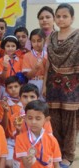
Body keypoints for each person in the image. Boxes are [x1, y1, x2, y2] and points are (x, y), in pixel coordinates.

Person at [43, 3, 79, 167]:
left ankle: (69, 155)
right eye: (58, 16)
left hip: (73, 85)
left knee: (70, 122)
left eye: (65, 16)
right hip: (53, 84)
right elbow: (48, 64)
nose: (61, 19)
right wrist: (44, 85)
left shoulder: (78, 36)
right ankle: (55, 151)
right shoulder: (51, 37)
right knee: (54, 120)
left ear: (72, 18)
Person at [15, 100, 61, 168]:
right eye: (30, 118)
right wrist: (30, 161)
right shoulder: (20, 139)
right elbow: (26, 165)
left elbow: (56, 165)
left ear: (46, 119)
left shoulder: (52, 140)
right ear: (25, 118)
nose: (33, 122)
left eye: (38, 118)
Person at [0, 76, 23, 168]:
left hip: (25, 138)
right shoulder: (2, 104)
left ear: (21, 87)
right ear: (6, 90)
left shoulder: (26, 102)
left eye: (16, 86)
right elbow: (3, 128)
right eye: (10, 87)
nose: (13, 89)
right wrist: (6, 112)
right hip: (9, 139)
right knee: (8, 164)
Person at [22, 29, 47, 101]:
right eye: (33, 41)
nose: (36, 44)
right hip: (32, 83)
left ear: (44, 40)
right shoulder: (27, 55)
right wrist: (35, 68)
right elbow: (28, 76)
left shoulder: (47, 55)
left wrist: (45, 86)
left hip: (45, 84)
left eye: (39, 41)